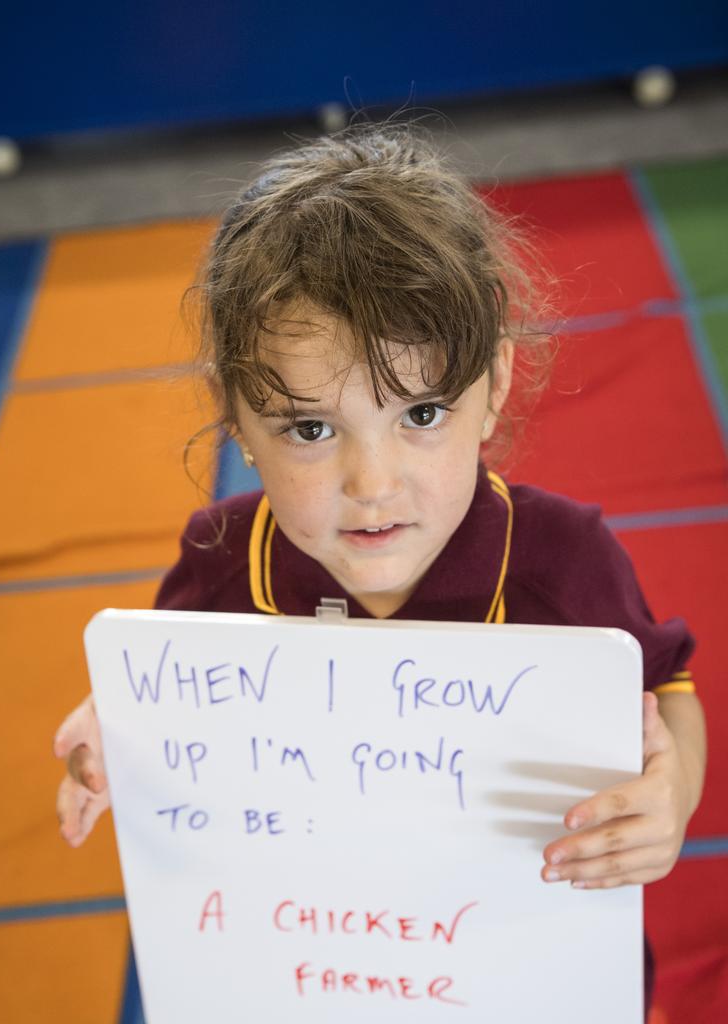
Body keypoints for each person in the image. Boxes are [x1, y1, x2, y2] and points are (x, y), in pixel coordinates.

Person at [53, 122, 706, 1012]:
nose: (372, 483)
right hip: (319, 968)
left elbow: (669, 685)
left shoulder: (561, 560)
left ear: (496, 386)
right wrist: (117, 731)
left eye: (423, 414)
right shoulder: (220, 563)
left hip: (528, 969)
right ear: (239, 422)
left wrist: (671, 794)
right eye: (311, 430)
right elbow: (173, 709)